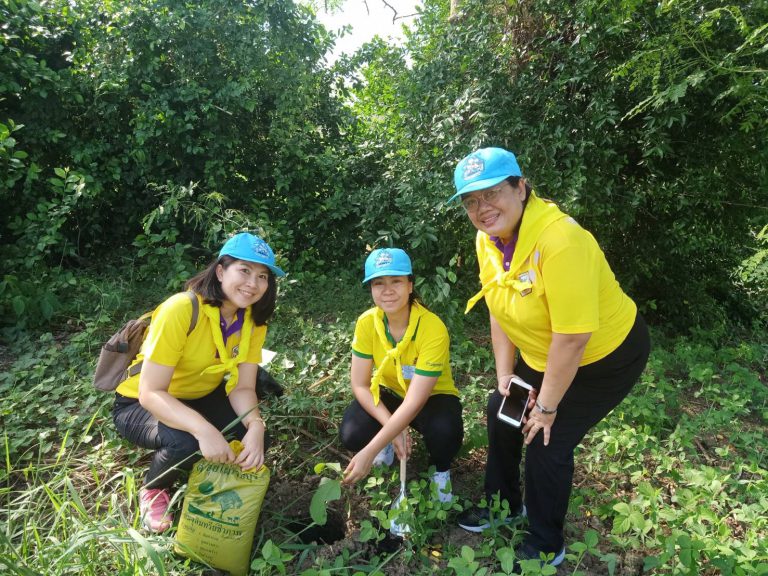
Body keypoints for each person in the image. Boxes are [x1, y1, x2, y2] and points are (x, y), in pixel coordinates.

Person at [450, 148, 650, 566]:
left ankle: (546, 543)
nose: (482, 209)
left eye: (492, 194)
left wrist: (545, 407)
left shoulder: (561, 241)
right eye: (471, 201)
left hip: (604, 356)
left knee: (545, 438)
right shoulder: (488, 239)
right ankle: (503, 505)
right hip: (544, 351)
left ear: (521, 188)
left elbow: (573, 338)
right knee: (502, 410)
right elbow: (498, 305)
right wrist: (505, 374)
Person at [112, 232, 285, 532]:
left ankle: (213, 482)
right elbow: (150, 392)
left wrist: (256, 425)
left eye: (262, 276)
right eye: (244, 270)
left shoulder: (253, 321)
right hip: (141, 403)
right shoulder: (181, 309)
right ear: (220, 271)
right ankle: (154, 488)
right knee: (189, 442)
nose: (253, 284)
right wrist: (204, 430)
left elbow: (244, 386)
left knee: (253, 439)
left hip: (200, 395)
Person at [340, 248, 464, 503]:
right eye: (378, 283)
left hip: (431, 397)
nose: (387, 290)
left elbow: (416, 400)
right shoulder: (366, 323)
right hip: (391, 391)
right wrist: (392, 428)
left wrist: (369, 450)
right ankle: (386, 444)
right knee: (352, 433)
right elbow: (360, 384)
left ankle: (439, 471)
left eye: (396, 281)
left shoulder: (432, 328)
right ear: (371, 289)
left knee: (445, 431)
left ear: (410, 285)